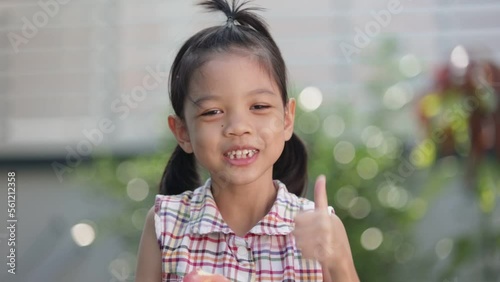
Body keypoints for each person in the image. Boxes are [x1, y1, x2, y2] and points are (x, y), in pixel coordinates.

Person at [135, 0, 359, 281]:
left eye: (259, 107)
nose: (238, 127)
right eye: (213, 112)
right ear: (182, 132)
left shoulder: (321, 228)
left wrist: (338, 262)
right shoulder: (164, 224)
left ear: (287, 119)